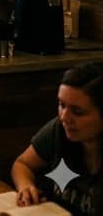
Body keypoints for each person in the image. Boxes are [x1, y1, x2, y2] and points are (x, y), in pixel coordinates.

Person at [12, 62, 103, 215]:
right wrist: (26, 186)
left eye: (78, 111)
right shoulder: (60, 129)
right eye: (62, 104)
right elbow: (22, 164)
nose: (64, 117)